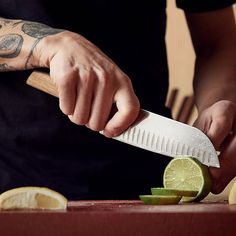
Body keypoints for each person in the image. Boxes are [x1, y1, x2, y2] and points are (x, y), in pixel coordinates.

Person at [0, 0, 235, 199]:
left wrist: (217, 105)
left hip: (146, 183)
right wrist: (47, 45)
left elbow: (216, 43)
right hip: (16, 185)